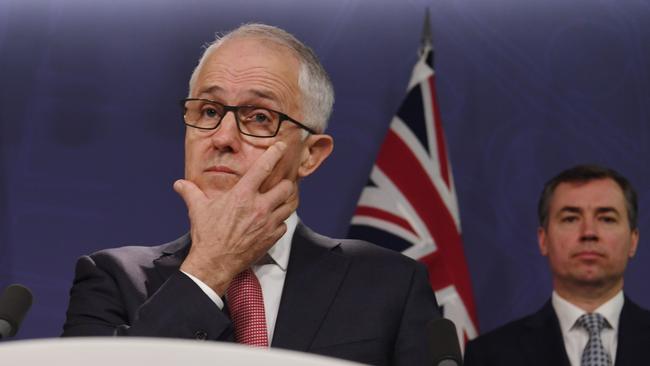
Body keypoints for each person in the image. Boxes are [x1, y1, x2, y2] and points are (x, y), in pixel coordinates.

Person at [61, 23, 440, 365]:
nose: (223, 138)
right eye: (209, 111)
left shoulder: (390, 284)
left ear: (311, 154)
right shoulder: (112, 279)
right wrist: (208, 269)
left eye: (259, 117)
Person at [464, 164, 650, 366]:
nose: (589, 232)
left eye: (606, 219)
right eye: (570, 219)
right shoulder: (490, 356)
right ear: (543, 240)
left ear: (633, 241)